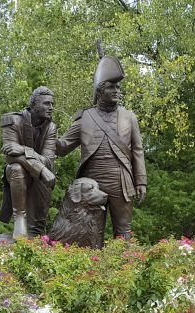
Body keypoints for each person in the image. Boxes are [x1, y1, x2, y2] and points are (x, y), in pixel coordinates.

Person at [55, 55, 147, 240]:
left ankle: (127, 266)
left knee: (124, 231)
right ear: (100, 90)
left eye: (118, 87)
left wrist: (141, 181)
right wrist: (47, 132)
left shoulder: (129, 117)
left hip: (121, 181)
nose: (117, 91)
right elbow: (63, 147)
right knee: (90, 230)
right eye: (111, 87)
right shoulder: (85, 117)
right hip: (91, 183)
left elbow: (137, 150)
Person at [0, 86, 57, 238]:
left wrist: (24, 149)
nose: (51, 108)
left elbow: (49, 162)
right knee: (16, 167)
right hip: (20, 174)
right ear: (34, 105)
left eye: (52, 104)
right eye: (46, 104)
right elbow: (10, 155)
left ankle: (34, 237)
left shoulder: (51, 127)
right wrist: (42, 169)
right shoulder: (12, 120)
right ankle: (19, 217)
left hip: (40, 179)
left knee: (37, 230)